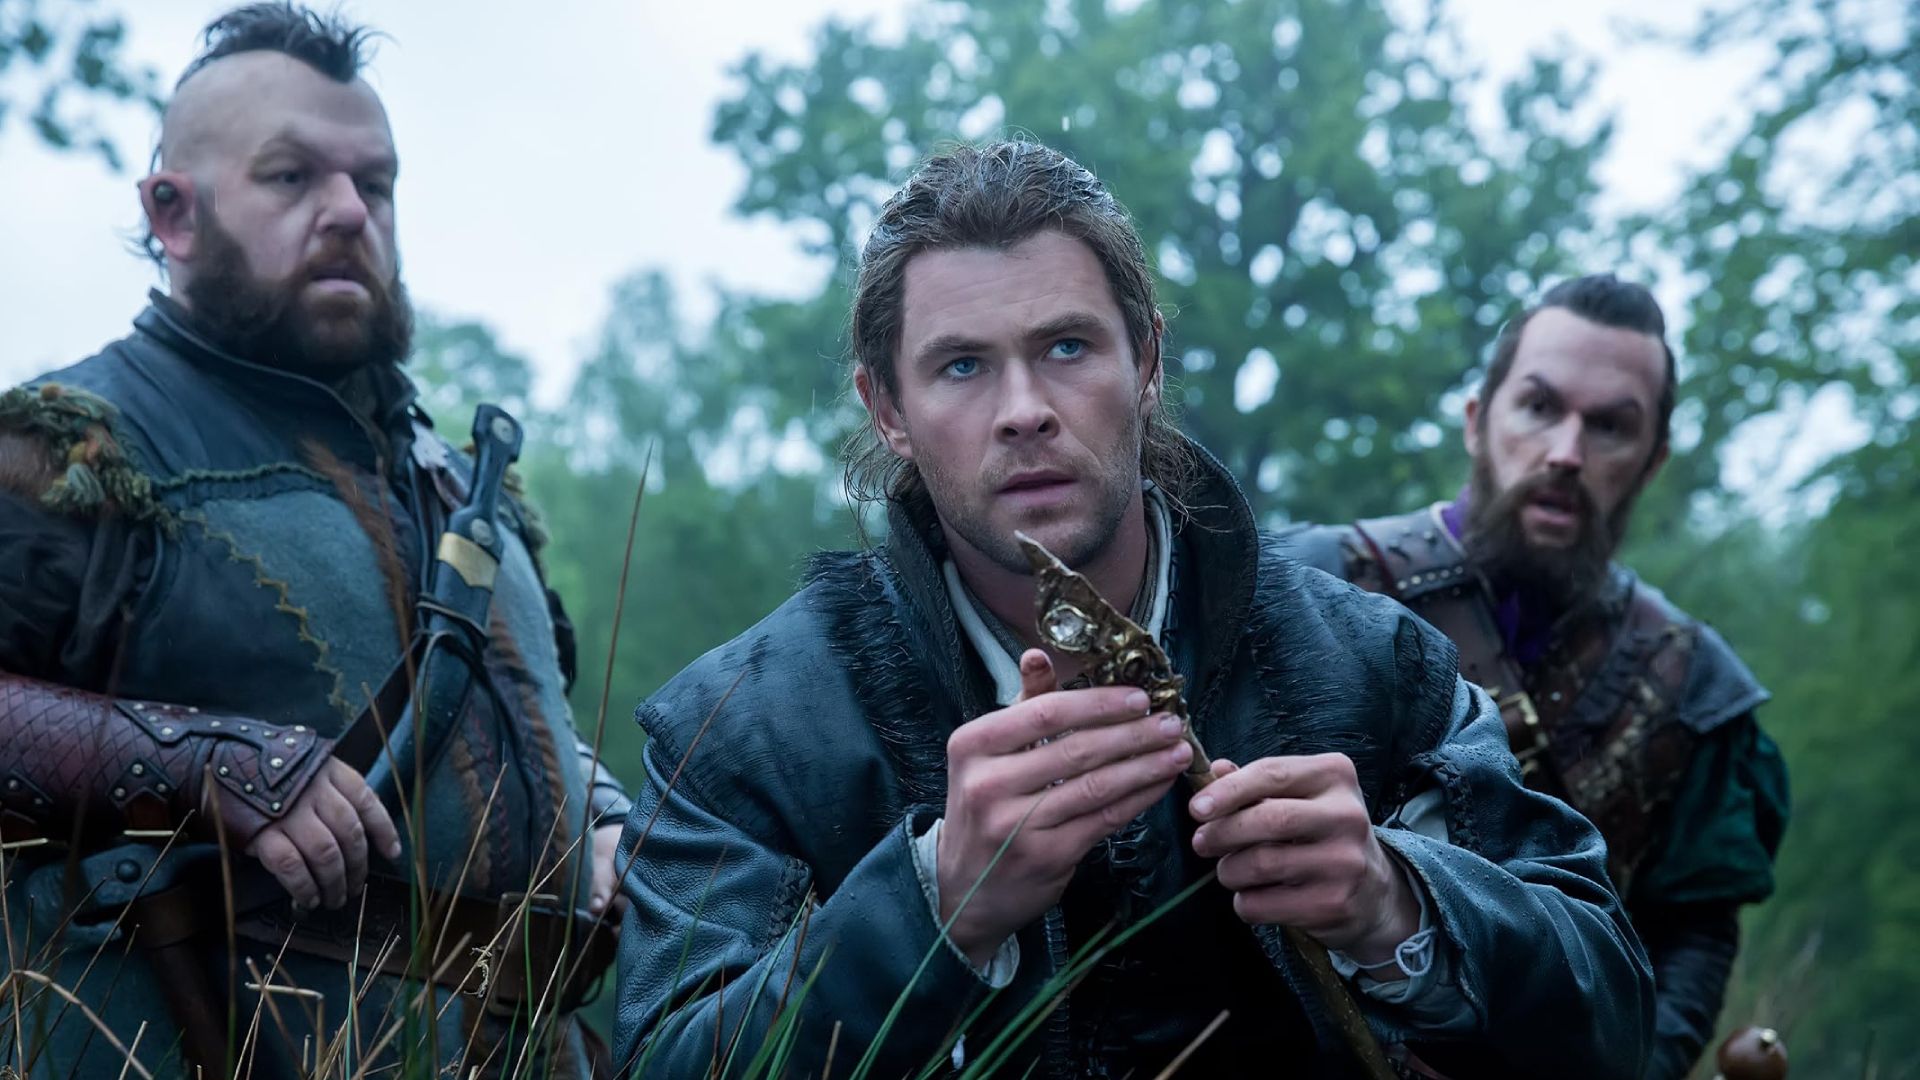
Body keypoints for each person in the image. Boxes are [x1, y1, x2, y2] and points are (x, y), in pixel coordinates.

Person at [612, 140, 1654, 1078]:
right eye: (962, 366)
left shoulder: (1376, 663)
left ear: (1146, 360)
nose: (1025, 411)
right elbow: (670, 1059)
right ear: (888, 409)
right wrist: (934, 904)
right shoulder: (741, 728)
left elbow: (1611, 1016)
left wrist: (1399, 902)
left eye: (1067, 347)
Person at [0, 5, 629, 1076]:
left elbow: (525, 727)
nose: (347, 211)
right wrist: (197, 761)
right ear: (172, 214)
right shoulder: (67, 450)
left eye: (373, 184)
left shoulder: (459, 480)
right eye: (291, 177)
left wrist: (601, 814)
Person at [1279, 274, 1789, 1080]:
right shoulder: (1308, 586)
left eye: (1610, 426)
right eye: (1539, 407)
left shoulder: (1693, 688)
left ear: (1651, 462)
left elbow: (1688, 939)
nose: (1566, 453)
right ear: (1478, 420)